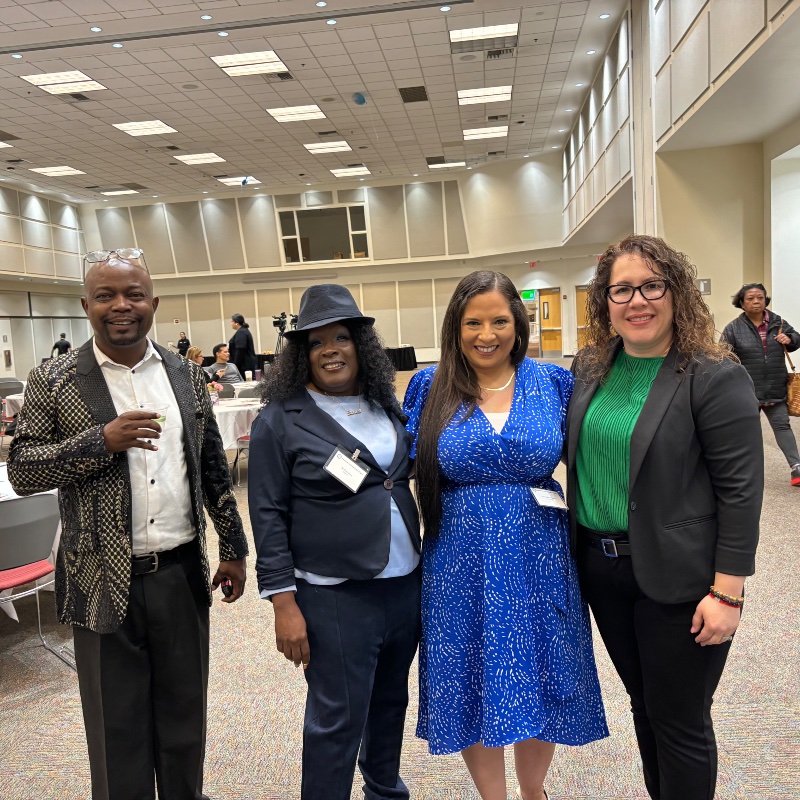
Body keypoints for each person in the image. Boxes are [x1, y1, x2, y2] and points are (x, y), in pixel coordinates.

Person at [7, 250, 249, 800]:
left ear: (154, 302)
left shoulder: (187, 374)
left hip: (181, 573)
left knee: (185, 716)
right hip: (99, 579)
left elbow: (211, 466)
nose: (122, 306)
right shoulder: (54, 379)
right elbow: (22, 470)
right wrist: (103, 440)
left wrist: (233, 547)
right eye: (106, 296)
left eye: (134, 295)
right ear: (86, 305)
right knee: (117, 728)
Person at [564, 235, 763, 800]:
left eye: (652, 285)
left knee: (680, 722)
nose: (638, 300)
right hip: (604, 572)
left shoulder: (712, 374)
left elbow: (741, 492)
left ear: (676, 292)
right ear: (605, 301)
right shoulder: (593, 367)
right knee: (645, 709)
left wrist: (728, 592)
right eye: (621, 289)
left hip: (681, 579)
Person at [404, 271, 607, 800]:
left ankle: (533, 791)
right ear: (456, 326)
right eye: (473, 322)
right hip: (458, 558)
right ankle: (493, 795)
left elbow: (597, 455)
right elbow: (392, 458)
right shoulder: (430, 386)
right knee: (469, 667)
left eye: (498, 320)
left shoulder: (552, 382)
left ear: (518, 324)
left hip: (539, 551)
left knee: (540, 664)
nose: (486, 334)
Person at [248, 284, 421, 800]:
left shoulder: (384, 405)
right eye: (316, 341)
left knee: (391, 701)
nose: (331, 349)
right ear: (301, 353)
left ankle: (384, 789)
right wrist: (283, 602)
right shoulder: (280, 420)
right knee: (337, 717)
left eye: (341, 337)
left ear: (359, 345)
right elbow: (268, 515)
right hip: (334, 596)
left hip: (403, 585)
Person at [721, 284, 800, 486]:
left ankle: (796, 468)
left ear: (766, 300)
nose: (756, 301)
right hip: (747, 390)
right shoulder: (733, 328)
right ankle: (741, 471)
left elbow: (796, 340)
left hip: (776, 386)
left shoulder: (778, 322)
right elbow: (723, 355)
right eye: (751, 298)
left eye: (760, 297)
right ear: (742, 303)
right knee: (746, 431)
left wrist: (789, 338)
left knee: (782, 427)